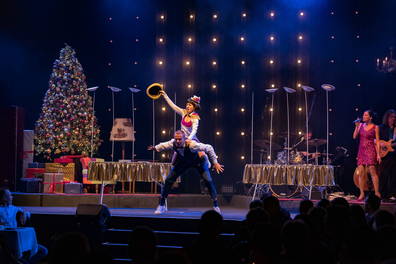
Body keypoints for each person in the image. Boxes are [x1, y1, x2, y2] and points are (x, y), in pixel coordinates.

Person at [148, 130, 224, 214]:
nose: (177, 141)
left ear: (185, 139)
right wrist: (155, 148)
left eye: (180, 139)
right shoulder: (173, 143)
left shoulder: (192, 144)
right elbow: (164, 145)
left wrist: (215, 162)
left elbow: (209, 148)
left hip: (198, 162)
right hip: (184, 162)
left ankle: (216, 206)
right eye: (176, 139)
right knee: (168, 180)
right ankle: (162, 205)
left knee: (208, 180)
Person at [353, 110, 381, 200]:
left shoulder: (375, 127)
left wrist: (378, 154)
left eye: (365, 115)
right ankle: (361, 193)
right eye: (363, 115)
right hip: (361, 151)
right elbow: (354, 137)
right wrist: (356, 127)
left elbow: (377, 142)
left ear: (370, 117)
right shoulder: (360, 125)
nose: (363, 116)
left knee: (373, 171)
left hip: (371, 150)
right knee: (361, 172)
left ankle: (376, 192)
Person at [378, 109, 396, 199]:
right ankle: (382, 194)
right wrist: (383, 145)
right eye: (391, 117)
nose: (393, 118)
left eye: (394, 117)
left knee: (393, 174)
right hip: (384, 154)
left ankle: (392, 194)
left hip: (393, 154)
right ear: (387, 117)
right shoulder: (381, 127)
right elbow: (376, 140)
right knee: (383, 174)